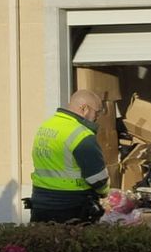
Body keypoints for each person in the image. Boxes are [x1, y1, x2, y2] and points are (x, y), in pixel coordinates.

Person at [29, 89, 109, 223]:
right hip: (71, 205)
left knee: (43, 242)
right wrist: (105, 193)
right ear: (84, 109)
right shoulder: (82, 135)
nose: (97, 117)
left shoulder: (47, 126)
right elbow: (97, 179)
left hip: (40, 201)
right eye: (97, 112)